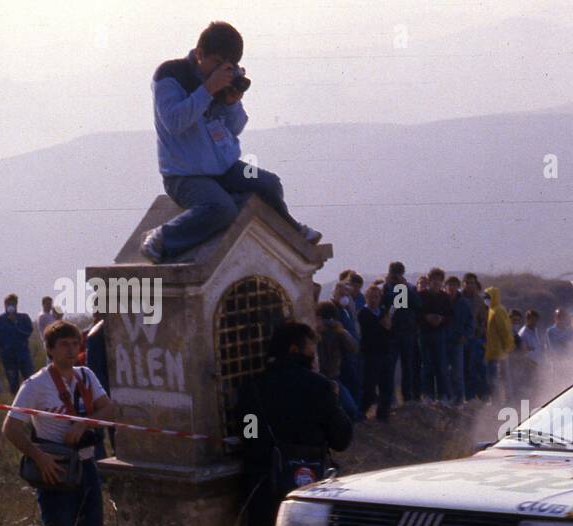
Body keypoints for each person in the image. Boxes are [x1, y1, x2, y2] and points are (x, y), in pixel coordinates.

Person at [141, 21, 320, 263]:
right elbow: (175, 123)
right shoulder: (171, 75)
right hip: (184, 175)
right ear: (199, 54)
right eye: (216, 62)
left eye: (228, 64)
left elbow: (234, 128)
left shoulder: (219, 82)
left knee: (268, 183)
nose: (220, 70)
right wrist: (207, 89)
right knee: (222, 208)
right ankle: (162, 237)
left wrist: (231, 102)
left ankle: (292, 229)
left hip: (224, 168)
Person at [235, 321, 353, 526]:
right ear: (294, 349)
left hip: (264, 485)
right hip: (309, 483)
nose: (314, 356)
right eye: (311, 349)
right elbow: (341, 438)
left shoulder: (253, 387)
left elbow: (248, 434)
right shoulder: (319, 386)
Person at [3, 321, 117, 526]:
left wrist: (83, 423)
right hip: (56, 468)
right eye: (64, 344)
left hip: (87, 465)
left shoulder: (86, 376)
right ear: (50, 349)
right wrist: (38, 457)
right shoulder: (35, 384)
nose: (71, 350)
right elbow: (10, 428)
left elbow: (109, 409)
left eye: (76, 344)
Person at [315, 299, 359, 420]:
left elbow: (353, 348)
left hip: (333, 377)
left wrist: (341, 331)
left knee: (350, 409)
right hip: (316, 378)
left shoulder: (336, 333)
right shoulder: (311, 332)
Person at [384, 261, 421, 404]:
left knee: (408, 366)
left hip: (407, 332)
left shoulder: (409, 288)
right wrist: (389, 288)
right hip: (391, 333)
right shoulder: (385, 288)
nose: (396, 276)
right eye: (394, 273)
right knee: (390, 367)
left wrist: (406, 288)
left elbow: (418, 304)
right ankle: (390, 398)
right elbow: (384, 304)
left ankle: (407, 396)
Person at [357, 282, 395, 422]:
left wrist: (387, 327)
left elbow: (389, 331)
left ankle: (383, 416)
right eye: (371, 297)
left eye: (376, 297)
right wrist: (383, 326)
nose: (374, 300)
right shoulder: (363, 313)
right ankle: (361, 413)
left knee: (387, 386)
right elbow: (370, 332)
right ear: (366, 298)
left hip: (385, 352)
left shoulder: (383, 312)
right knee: (369, 386)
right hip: (371, 354)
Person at [0, 294, 35, 394]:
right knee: (13, 382)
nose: (11, 305)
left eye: (13, 303)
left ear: (16, 305)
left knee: (30, 380)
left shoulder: (24, 318)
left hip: (23, 355)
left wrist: (15, 324)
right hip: (8, 356)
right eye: (8, 303)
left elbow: (28, 332)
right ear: (5, 305)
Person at [417, 267, 452, 402]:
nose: (436, 283)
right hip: (424, 334)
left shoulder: (445, 297)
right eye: (434, 280)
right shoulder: (421, 296)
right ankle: (428, 395)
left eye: (439, 280)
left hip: (440, 334)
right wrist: (426, 317)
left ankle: (443, 396)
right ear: (429, 280)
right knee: (427, 366)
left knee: (442, 366)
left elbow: (450, 316)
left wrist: (441, 319)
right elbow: (416, 314)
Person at [443, 274, 472, 405]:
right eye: (449, 285)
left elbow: (470, 322)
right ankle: (447, 397)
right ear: (445, 287)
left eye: (454, 285)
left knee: (458, 372)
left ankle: (460, 399)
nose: (452, 288)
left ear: (458, 287)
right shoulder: (441, 300)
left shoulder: (464, 303)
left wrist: (466, 335)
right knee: (443, 371)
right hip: (442, 341)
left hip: (457, 341)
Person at [483, 286, 514, 404]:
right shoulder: (491, 310)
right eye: (485, 297)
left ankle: (505, 399)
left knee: (500, 376)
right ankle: (499, 398)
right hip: (493, 349)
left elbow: (504, 329)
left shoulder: (498, 310)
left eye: (488, 297)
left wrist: (507, 346)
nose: (485, 299)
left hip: (499, 350)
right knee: (495, 376)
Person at [461, 272, 488, 400]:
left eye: (472, 283)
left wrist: (480, 332)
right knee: (460, 369)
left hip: (474, 339)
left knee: (474, 368)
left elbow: (483, 319)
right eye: (467, 283)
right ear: (463, 284)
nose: (470, 285)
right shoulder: (458, 298)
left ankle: (473, 396)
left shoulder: (479, 300)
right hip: (459, 338)